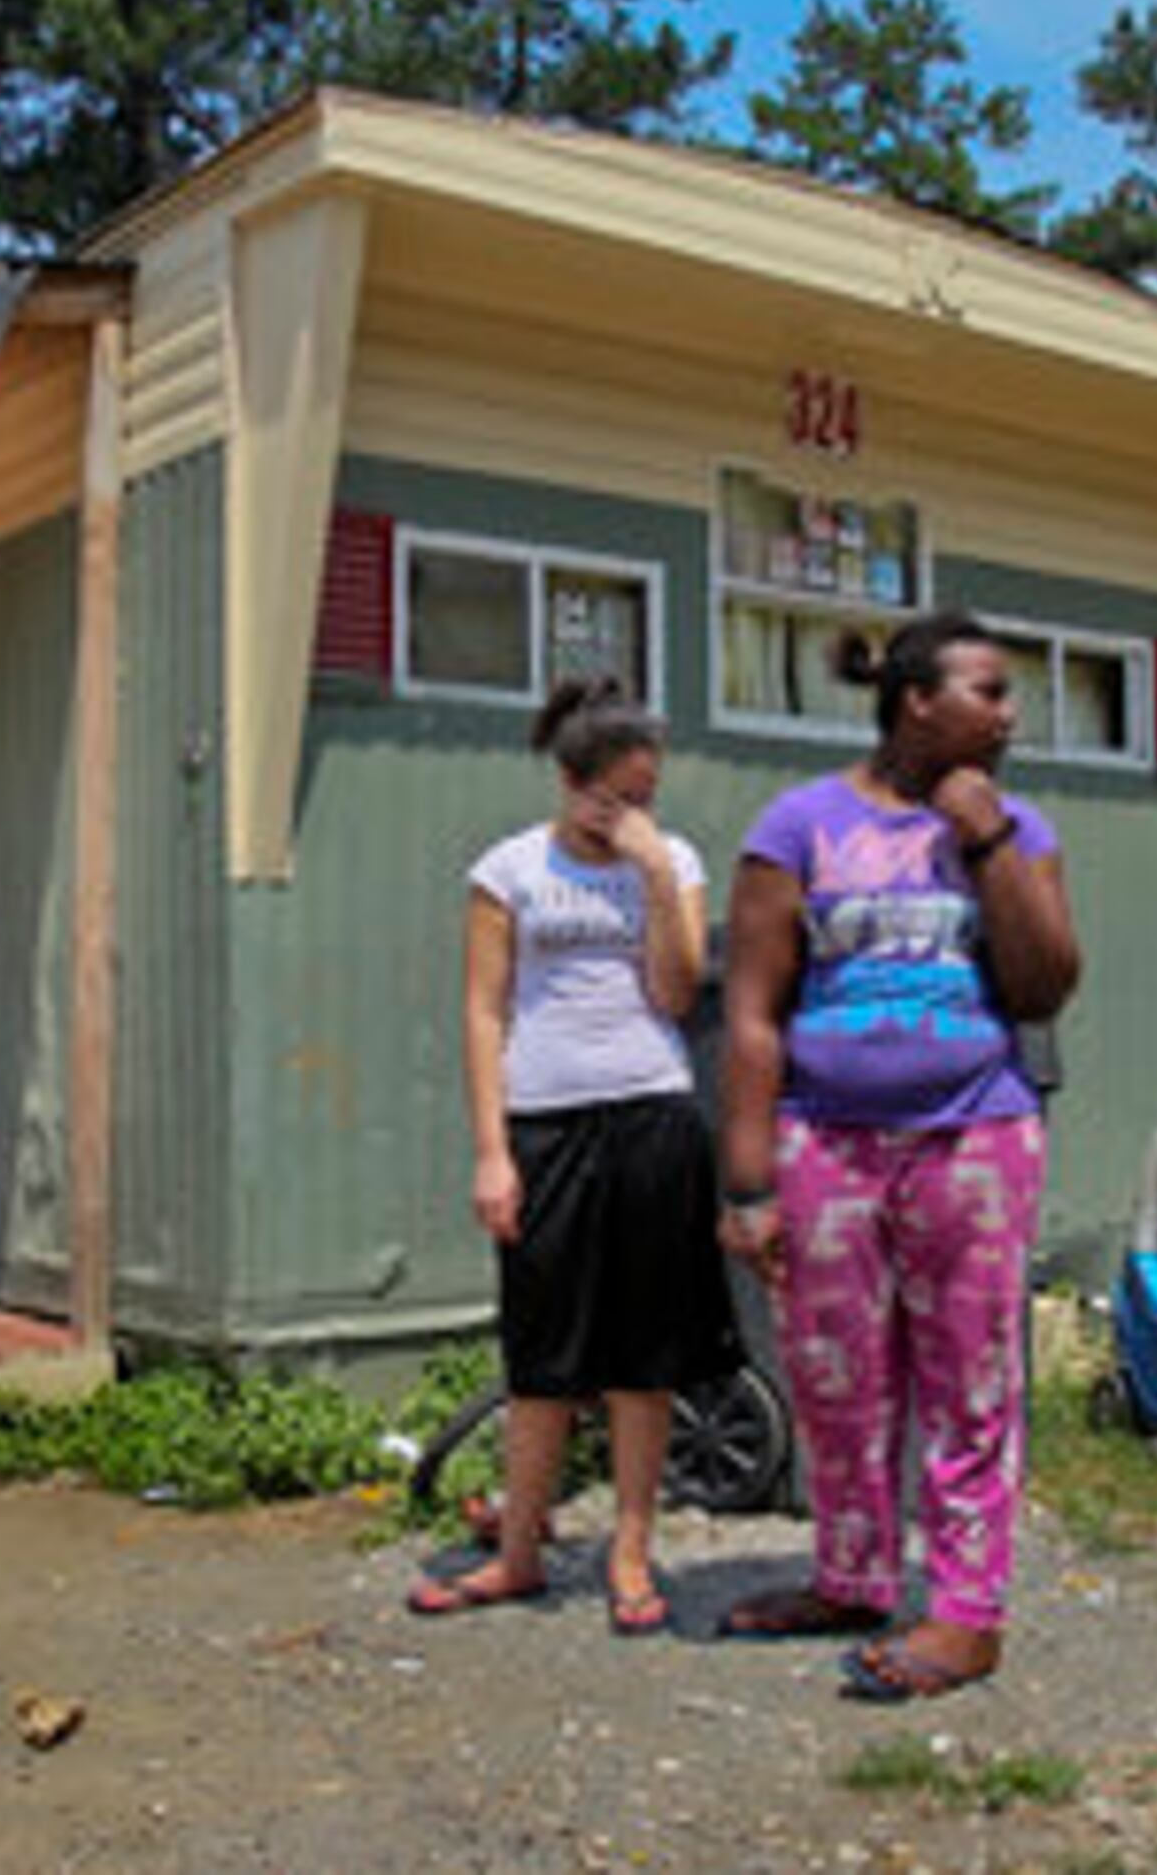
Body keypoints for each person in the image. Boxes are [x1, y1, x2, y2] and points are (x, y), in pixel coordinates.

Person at [714, 609, 1081, 1701]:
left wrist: (985, 839)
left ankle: (968, 1615)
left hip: (976, 1134)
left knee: (972, 1378)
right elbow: (750, 1016)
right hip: (824, 1142)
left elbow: (1046, 985)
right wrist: (746, 1184)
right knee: (837, 1380)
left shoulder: (1017, 826)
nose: (1011, 716)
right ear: (919, 700)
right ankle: (853, 1577)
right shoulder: (798, 826)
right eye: (992, 692)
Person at [412, 676, 740, 1634]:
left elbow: (681, 995)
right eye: (616, 796)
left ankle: (632, 1555)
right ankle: (518, 1552)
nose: (633, 812)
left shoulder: (671, 860)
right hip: (545, 1119)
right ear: (570, 779)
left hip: (653, 1112)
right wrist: (490, 1153)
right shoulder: (508, 869)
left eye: (647, 795)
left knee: (644, 1353)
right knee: (541, 1348)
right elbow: (483, 1010)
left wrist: (652, 875)